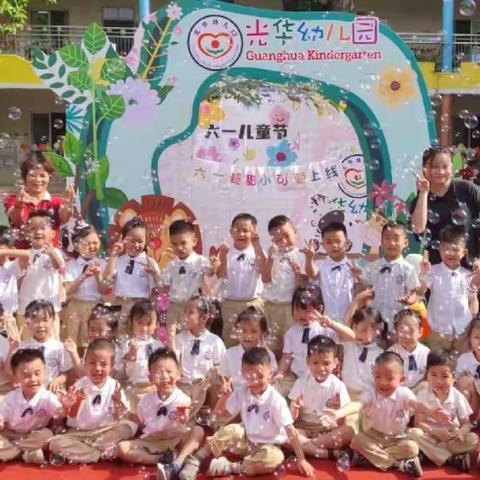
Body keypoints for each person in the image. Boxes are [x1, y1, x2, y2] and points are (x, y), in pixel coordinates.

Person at [179, 347, 315, 478]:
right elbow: (220, 415)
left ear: (271, 373)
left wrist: (301, 459)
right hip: (246, 441)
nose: (254, 381)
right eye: (249, 376)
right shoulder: (242, 392)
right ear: (243, 373)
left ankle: (229, 467)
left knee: (275, 459)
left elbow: (290, 430)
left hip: (268, 446)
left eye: (260, 376)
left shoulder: (276, 400)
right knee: (231, 429)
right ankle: (195, 460)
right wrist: (224, 397)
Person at [349, 352, 452, 477]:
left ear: (402, 379)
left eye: (389, 378)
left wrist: (431, 412)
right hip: (373, 435)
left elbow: (417, 404)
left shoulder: (404, 393)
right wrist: (338, 413)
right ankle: (400, 465)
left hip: (398, 438)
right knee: (356, 440)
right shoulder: (370, 392)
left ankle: (371, 458)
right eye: (378, 376)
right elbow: (358, 404)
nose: (383, 382)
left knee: (412, 448)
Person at [117, 347, 205, 480]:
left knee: (198, 431)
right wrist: (123, 410)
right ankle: (160, 460)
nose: (164, 376)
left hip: (176, 439)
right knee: (121, 448)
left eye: (169, 371)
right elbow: (140, 423)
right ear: (150, 378)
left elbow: (184, 417)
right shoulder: (146, 401)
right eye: (158, 372)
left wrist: (182, 416)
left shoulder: (182, 399)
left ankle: (178, 462)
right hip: (153, 440)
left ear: (178, 374)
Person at [48, 339, 137, 464]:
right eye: (92, 363)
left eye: (103, 364)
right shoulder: (79, 385)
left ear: (111, 367)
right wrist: (77, 401)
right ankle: (97, 454)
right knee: (55, 443)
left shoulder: (114, 385)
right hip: (81, 434)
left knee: (129, 427)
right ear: (85, 363)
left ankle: (93, 450)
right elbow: (72, 416)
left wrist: (118, 404)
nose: (97, 368)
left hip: (106, 431)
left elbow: (120, 416)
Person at [275, 284, 355, 397]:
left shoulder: (325, 329)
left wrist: (331, 324)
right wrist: (280, 373)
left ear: (320, 309)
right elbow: (287, 356)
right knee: (279, 392)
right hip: (296, 377)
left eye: (307, 310)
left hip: (322, 378)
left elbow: (351, 337)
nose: (301, 314)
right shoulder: (291, 333)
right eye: (297, 310)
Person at [410, 145, 480, 265]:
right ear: (424, 169)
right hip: (436, 272)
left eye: (445, 166)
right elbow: (418, 229)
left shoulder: (467, 190)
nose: (440, 172)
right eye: (434, 167)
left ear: (451, 167)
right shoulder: (420, 200)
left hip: (469, 269)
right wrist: (423, 193)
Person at [288, 335, 355, 459]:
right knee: (284, 433)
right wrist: (295, 408)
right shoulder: (301, 382)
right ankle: (326, 454)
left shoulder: (338, 386)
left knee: (349, 432)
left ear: (335, 363)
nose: (321, 368)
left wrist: (338, 412)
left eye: (326, 363)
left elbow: (341, 423)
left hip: (327, 429)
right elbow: (292, 419)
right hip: (304, 426)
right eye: (315, 363)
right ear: (308, 361)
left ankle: (308, 447)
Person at [411, 351, 478, 473]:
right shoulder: (423, 395)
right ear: (427, 376)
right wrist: (435, 431)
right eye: (434, 375)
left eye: (445, 376)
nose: (439, 381)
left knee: (473, 439)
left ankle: (429, 454)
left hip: (451, 439)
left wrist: (461, 433)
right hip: (430, 435)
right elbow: (418, 423)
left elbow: (466, 423)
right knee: (413, 433)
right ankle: (451, 458)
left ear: (453, 379)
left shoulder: (457, 396)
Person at [418, 225, 480, 354]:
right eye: (446, 249)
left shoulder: (467, 275)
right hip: (436, 331)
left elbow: (473, 300)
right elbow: (421, 290)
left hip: (462, 332)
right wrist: (423, 273)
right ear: (439, 250)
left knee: (459, 368)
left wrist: (471, 326)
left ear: (464, 252)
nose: (450, 253)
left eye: (456, 249)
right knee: (437, 364)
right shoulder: (433, 271)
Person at [0, 348, 64, 464]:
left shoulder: (47, 397)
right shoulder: (11, 398)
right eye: (26, 375)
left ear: (45, 371)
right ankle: (25, 453)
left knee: (48, 435)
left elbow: (60, 415)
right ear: (16, 376)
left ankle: (19, 452)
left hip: (35, 435)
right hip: (13, 435)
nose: (33, 379)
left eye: (37, 374)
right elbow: (1, 420)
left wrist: (67, 405)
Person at [11, 210, 65, 339]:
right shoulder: (24, 254)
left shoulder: (56, 252)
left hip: (49, 308)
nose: (38, 232)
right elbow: (16, 278)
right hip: (26, 307)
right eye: (32, 229)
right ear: (26, 233)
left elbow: (58, 266)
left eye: (42, 228)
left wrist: (51, 253)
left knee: (51, 343)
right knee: (26, 344)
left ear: (52, 233)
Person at [104, 217, 161, 336]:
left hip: (140, 308)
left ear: (146, 241)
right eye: (131, 240)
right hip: (119, 305)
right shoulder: (118, 260)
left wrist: (154, 274)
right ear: (123, 240)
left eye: (140, 241)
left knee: (138, 340)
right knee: (119, 341)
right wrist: (114, 255)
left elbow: (160, 287)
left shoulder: (149, 262)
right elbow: (107, 280)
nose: (136, 245)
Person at [161, 220, 215, 347]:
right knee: (172, 338)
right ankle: (174, 360)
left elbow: (210, 273)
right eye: (175, 244)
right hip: (174, 307)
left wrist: (213, 267)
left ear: (194, 241)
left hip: (193, 307)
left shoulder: (200, 261)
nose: (179, 247)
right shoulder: (171, 265)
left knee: (193, 335)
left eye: (183, 243)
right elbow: (165, 289)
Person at [3, 153, 74, 248]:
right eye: (33, 175)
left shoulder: (57, 202)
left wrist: (68, 203)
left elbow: (65, 218)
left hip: (49, 257)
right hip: (23, 257)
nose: (38, 179)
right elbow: (16, 220)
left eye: (42, 175)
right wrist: (19, 204)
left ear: (49, 177)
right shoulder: (13, 199)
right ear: (25, 177)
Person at [174, 294, 226, 420]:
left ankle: (214, 419)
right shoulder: (179, 339)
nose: (185, 316)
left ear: (203, 318)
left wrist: (224, 384)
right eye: (184, 312)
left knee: (215, 377)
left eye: (190, 312)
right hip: (184, 386)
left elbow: (222, 368)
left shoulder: (214, 341)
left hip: (204, 387)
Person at [217, 213, 265, 348]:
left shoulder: (257, 252)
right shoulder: (227, 252)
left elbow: (263, 270)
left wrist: (257, 247)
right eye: (237, 230)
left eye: (246, 231)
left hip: (253, 303)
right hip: (230, 304)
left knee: (254, 340)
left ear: (253, 232)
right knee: (231, 338)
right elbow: (221, 274)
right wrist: (223, 255)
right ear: (231, 232)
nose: (241, 234)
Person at [262, 215, 307, 356]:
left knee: (290, 344)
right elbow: (265, 278)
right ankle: (275, 371)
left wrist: (297, 273)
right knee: (272, 345)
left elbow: (304, 285)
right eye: (277, 239)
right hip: (270, 306)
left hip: (290, 307)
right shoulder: (272, 255)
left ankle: (288, 373)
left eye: (286, 235)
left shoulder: (302, 256)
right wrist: (270, 258)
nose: (283, 241)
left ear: (295, 232)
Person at [361, 221, 420, 329]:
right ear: (381, 241)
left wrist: (408, 300)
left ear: (405, 243)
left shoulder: (408, 269)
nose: (391, 243)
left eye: (396, 239)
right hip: (374, 321)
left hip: (397, 322)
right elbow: (364, 291)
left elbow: (414, 294)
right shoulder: (371, 267)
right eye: (387, 238)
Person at [62, 225, 109, 353]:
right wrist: (83, 276)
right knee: (75, 344)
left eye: (95, 243)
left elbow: (104, 290)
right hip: (75, 307)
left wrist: (97, 276)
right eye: (88, 243)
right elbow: (67, 290)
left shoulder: (104, 264)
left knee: (94, 343)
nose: (92, 246)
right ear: (76, 246)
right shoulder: (72, 265)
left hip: (96, 307)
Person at [304, 222, 361, 323]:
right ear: (323, 245)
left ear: (346, 243)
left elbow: (361, 291)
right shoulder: (320, 264)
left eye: (338, 241)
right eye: (329, 242)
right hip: (325, 320)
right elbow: (311, 273)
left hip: (348, 321)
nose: (334, 245)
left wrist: (359, 278)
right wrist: (309, 259)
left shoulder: (353, 265)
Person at [114, 299, 164, 410]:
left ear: (157, 325)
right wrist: (130, 357)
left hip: (154, 390)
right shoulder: (126, 344)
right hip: (134, 390)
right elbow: (120, 371)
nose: (144, 328)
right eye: (139, 323)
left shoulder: (159, 346)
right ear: (131, 322)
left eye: (148, 324)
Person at [16, 300, 72, 393]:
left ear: (53, 320)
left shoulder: (59, 347)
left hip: (52, 392)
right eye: (35, 321)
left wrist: (58, 380)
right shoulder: (23, 348)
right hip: (31, 391)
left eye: (45, 320)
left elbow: (65, 372)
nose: (40, 325)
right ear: (27, 323)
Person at [219, 307, 277, 391]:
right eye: (243, 331)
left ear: (263, 334)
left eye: (253, 331)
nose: (248, 336)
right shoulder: (230, 354)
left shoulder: (268, 355)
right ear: (236, 331)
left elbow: (271, 378)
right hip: (236, 397)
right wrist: (225, 386)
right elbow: (224, 376)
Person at [341, 291, 386, 400]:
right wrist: (357, 300)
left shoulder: (380, 354)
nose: (358, 333)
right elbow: (346, 322)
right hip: (346, 393)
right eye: (355, 328)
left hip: (368, 397)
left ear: (377, 331)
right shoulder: (350, 343)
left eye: (364, 330)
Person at [64, 303, 117, 378]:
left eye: (100, 330)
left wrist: (74, 354)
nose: (95, 334)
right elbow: (83, 374)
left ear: (111, 332)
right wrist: (73, 351)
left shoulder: (116, 351)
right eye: (92, 330)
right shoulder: (90, 349)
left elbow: (86, 376)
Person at [388, 309, 429, 392]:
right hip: (398, 392)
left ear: (420, 332)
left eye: (411, 331)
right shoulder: (391, 353)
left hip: (419, 390)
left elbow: (429, 376)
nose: (406, 336)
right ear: (396, 332)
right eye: (402, 331)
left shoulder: (426, 353)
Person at [454, 318, 480, 421]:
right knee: (465, 382)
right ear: (470, 338)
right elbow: (457, 384)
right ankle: (465, 422)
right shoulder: (464, 358)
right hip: (473, 402)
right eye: (477, 338)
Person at [0, 226, 23, 338]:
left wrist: (6, 251)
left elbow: (28, 255)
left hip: (8, 318)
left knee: (11, 352)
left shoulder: (12, 266)